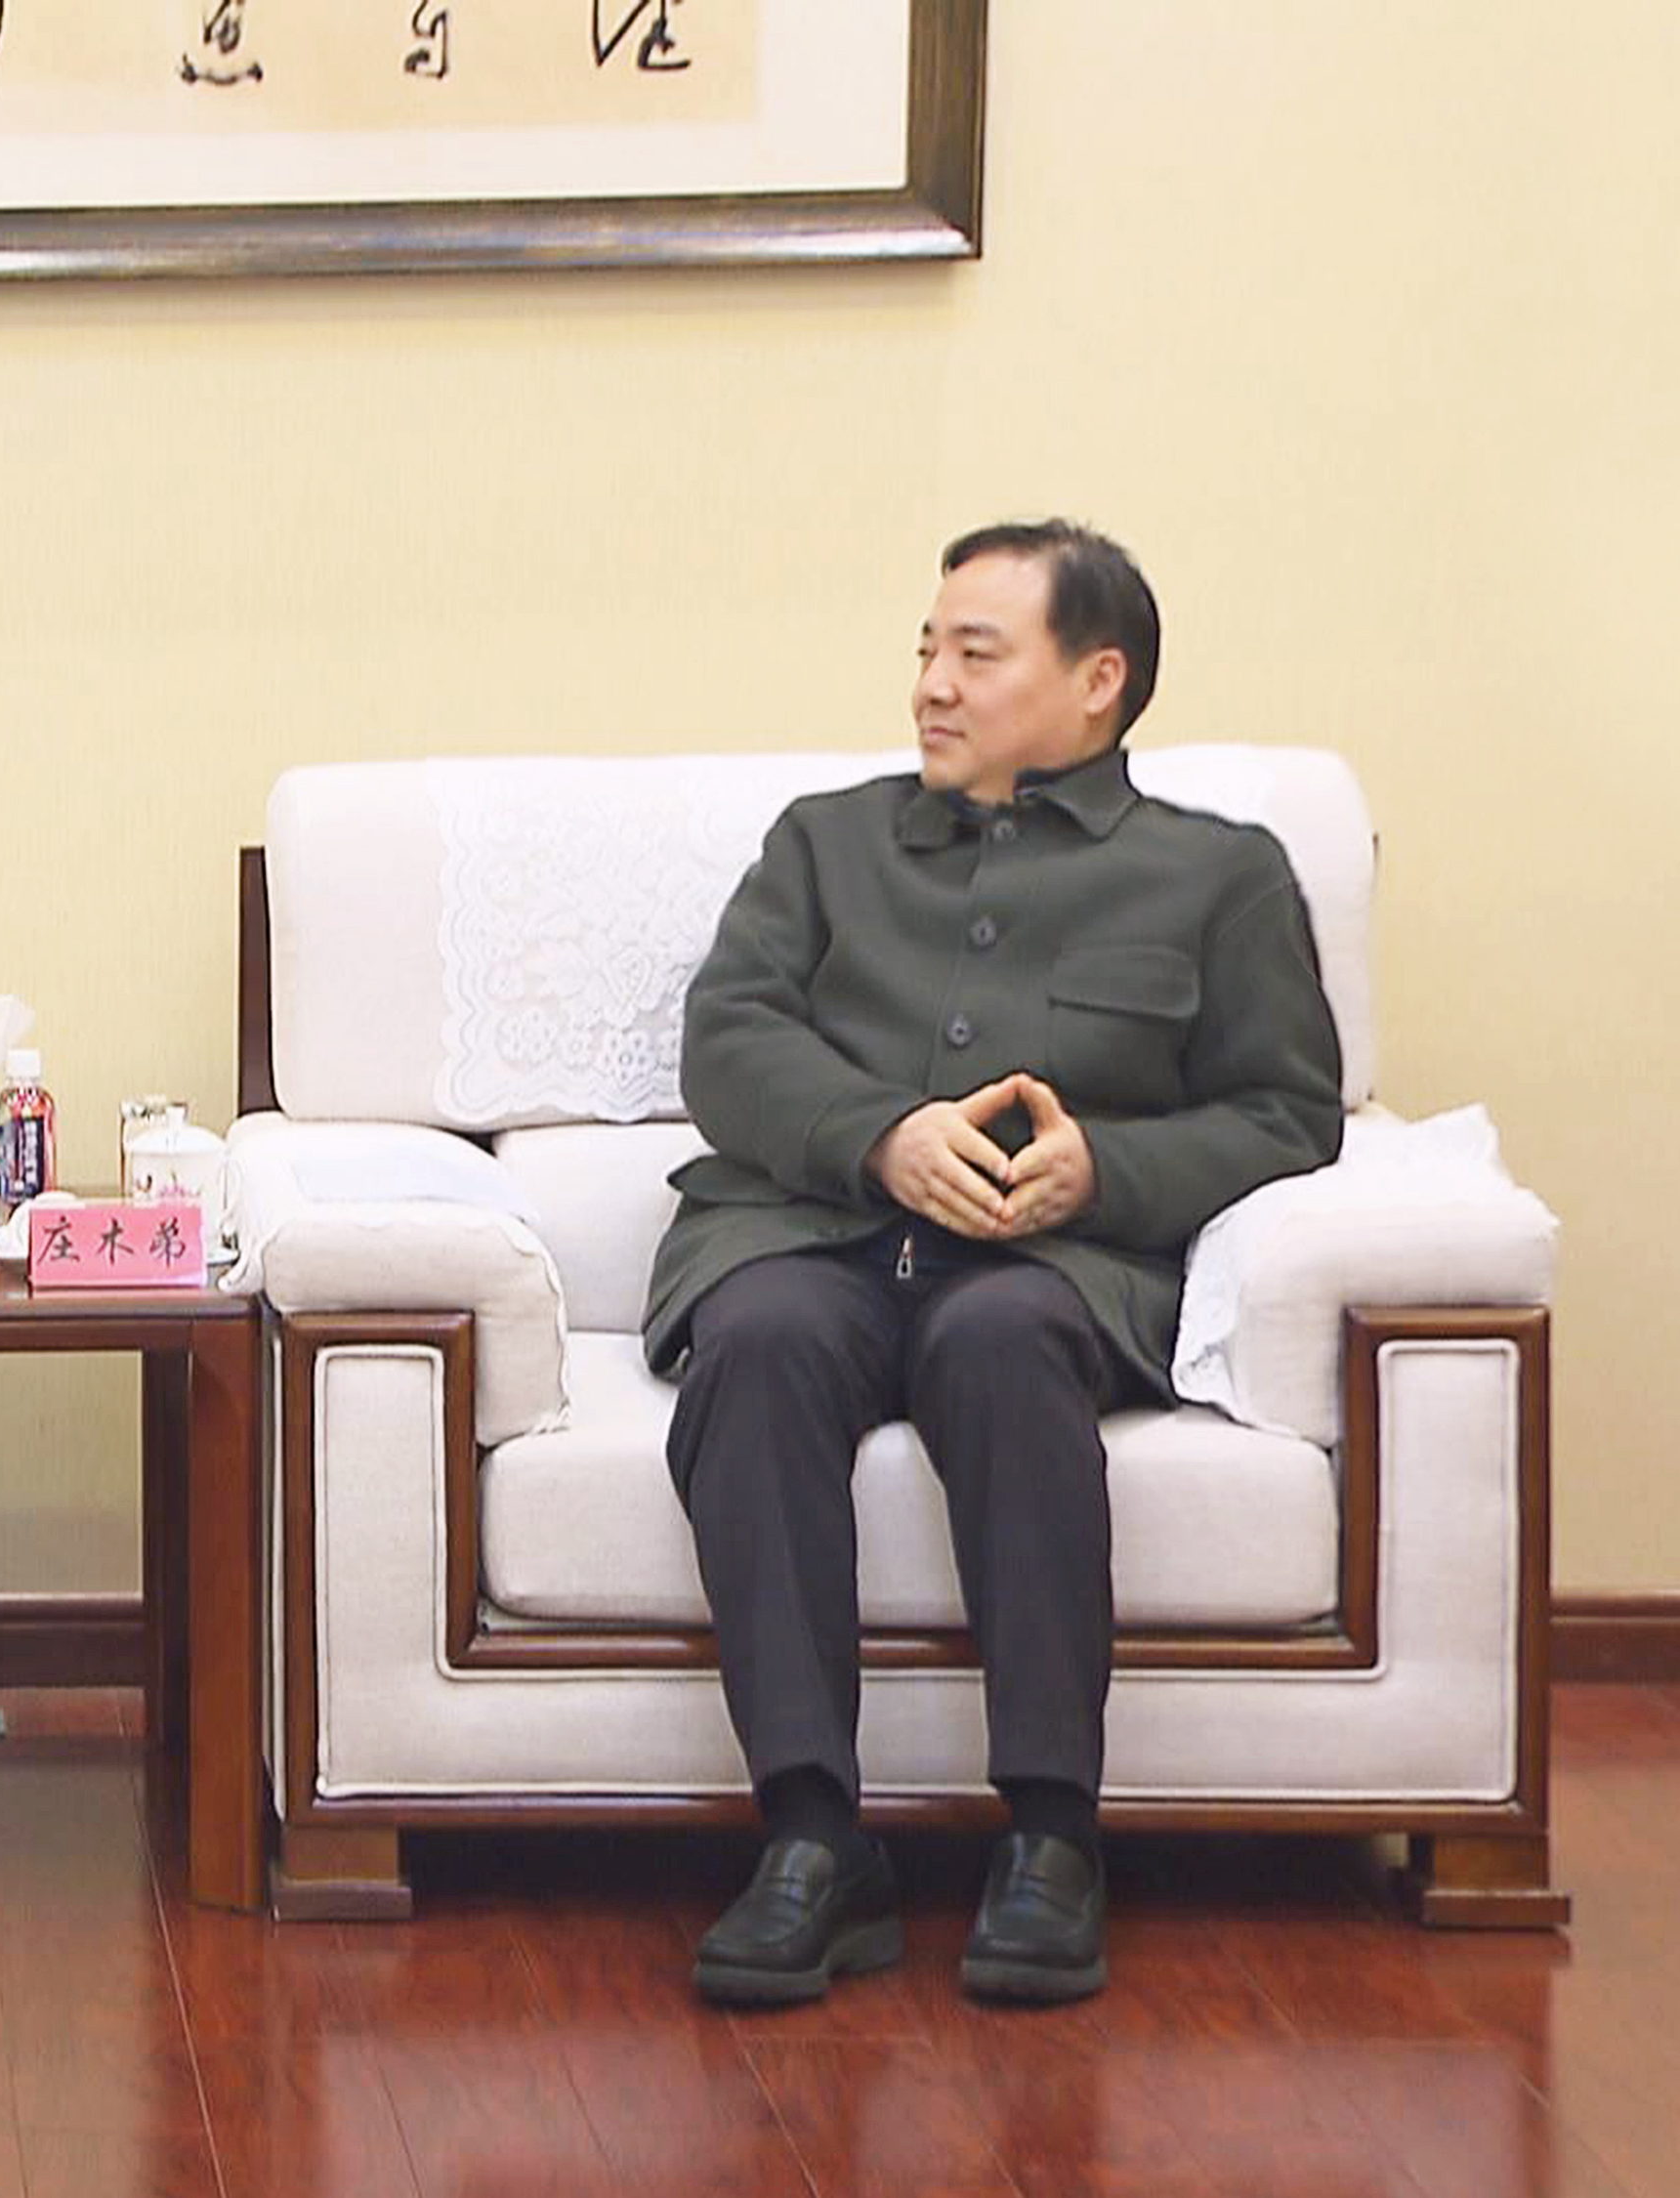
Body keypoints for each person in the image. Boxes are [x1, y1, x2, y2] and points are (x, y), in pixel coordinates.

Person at [647, 521, 1343, 2007]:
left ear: (1098, 680)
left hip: (1052, 1264)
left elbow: (1286, 1113)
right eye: (925, 649)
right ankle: (812, 1840)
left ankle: (1049, 1838)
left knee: (1000, 1343)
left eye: (976, 653)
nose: (931, 685)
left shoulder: (1215, 876)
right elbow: (728, 1039)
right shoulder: (823, 843)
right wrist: (879, 1136)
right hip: (813, 1232)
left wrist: (1110, 1171)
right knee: (757, 1342)